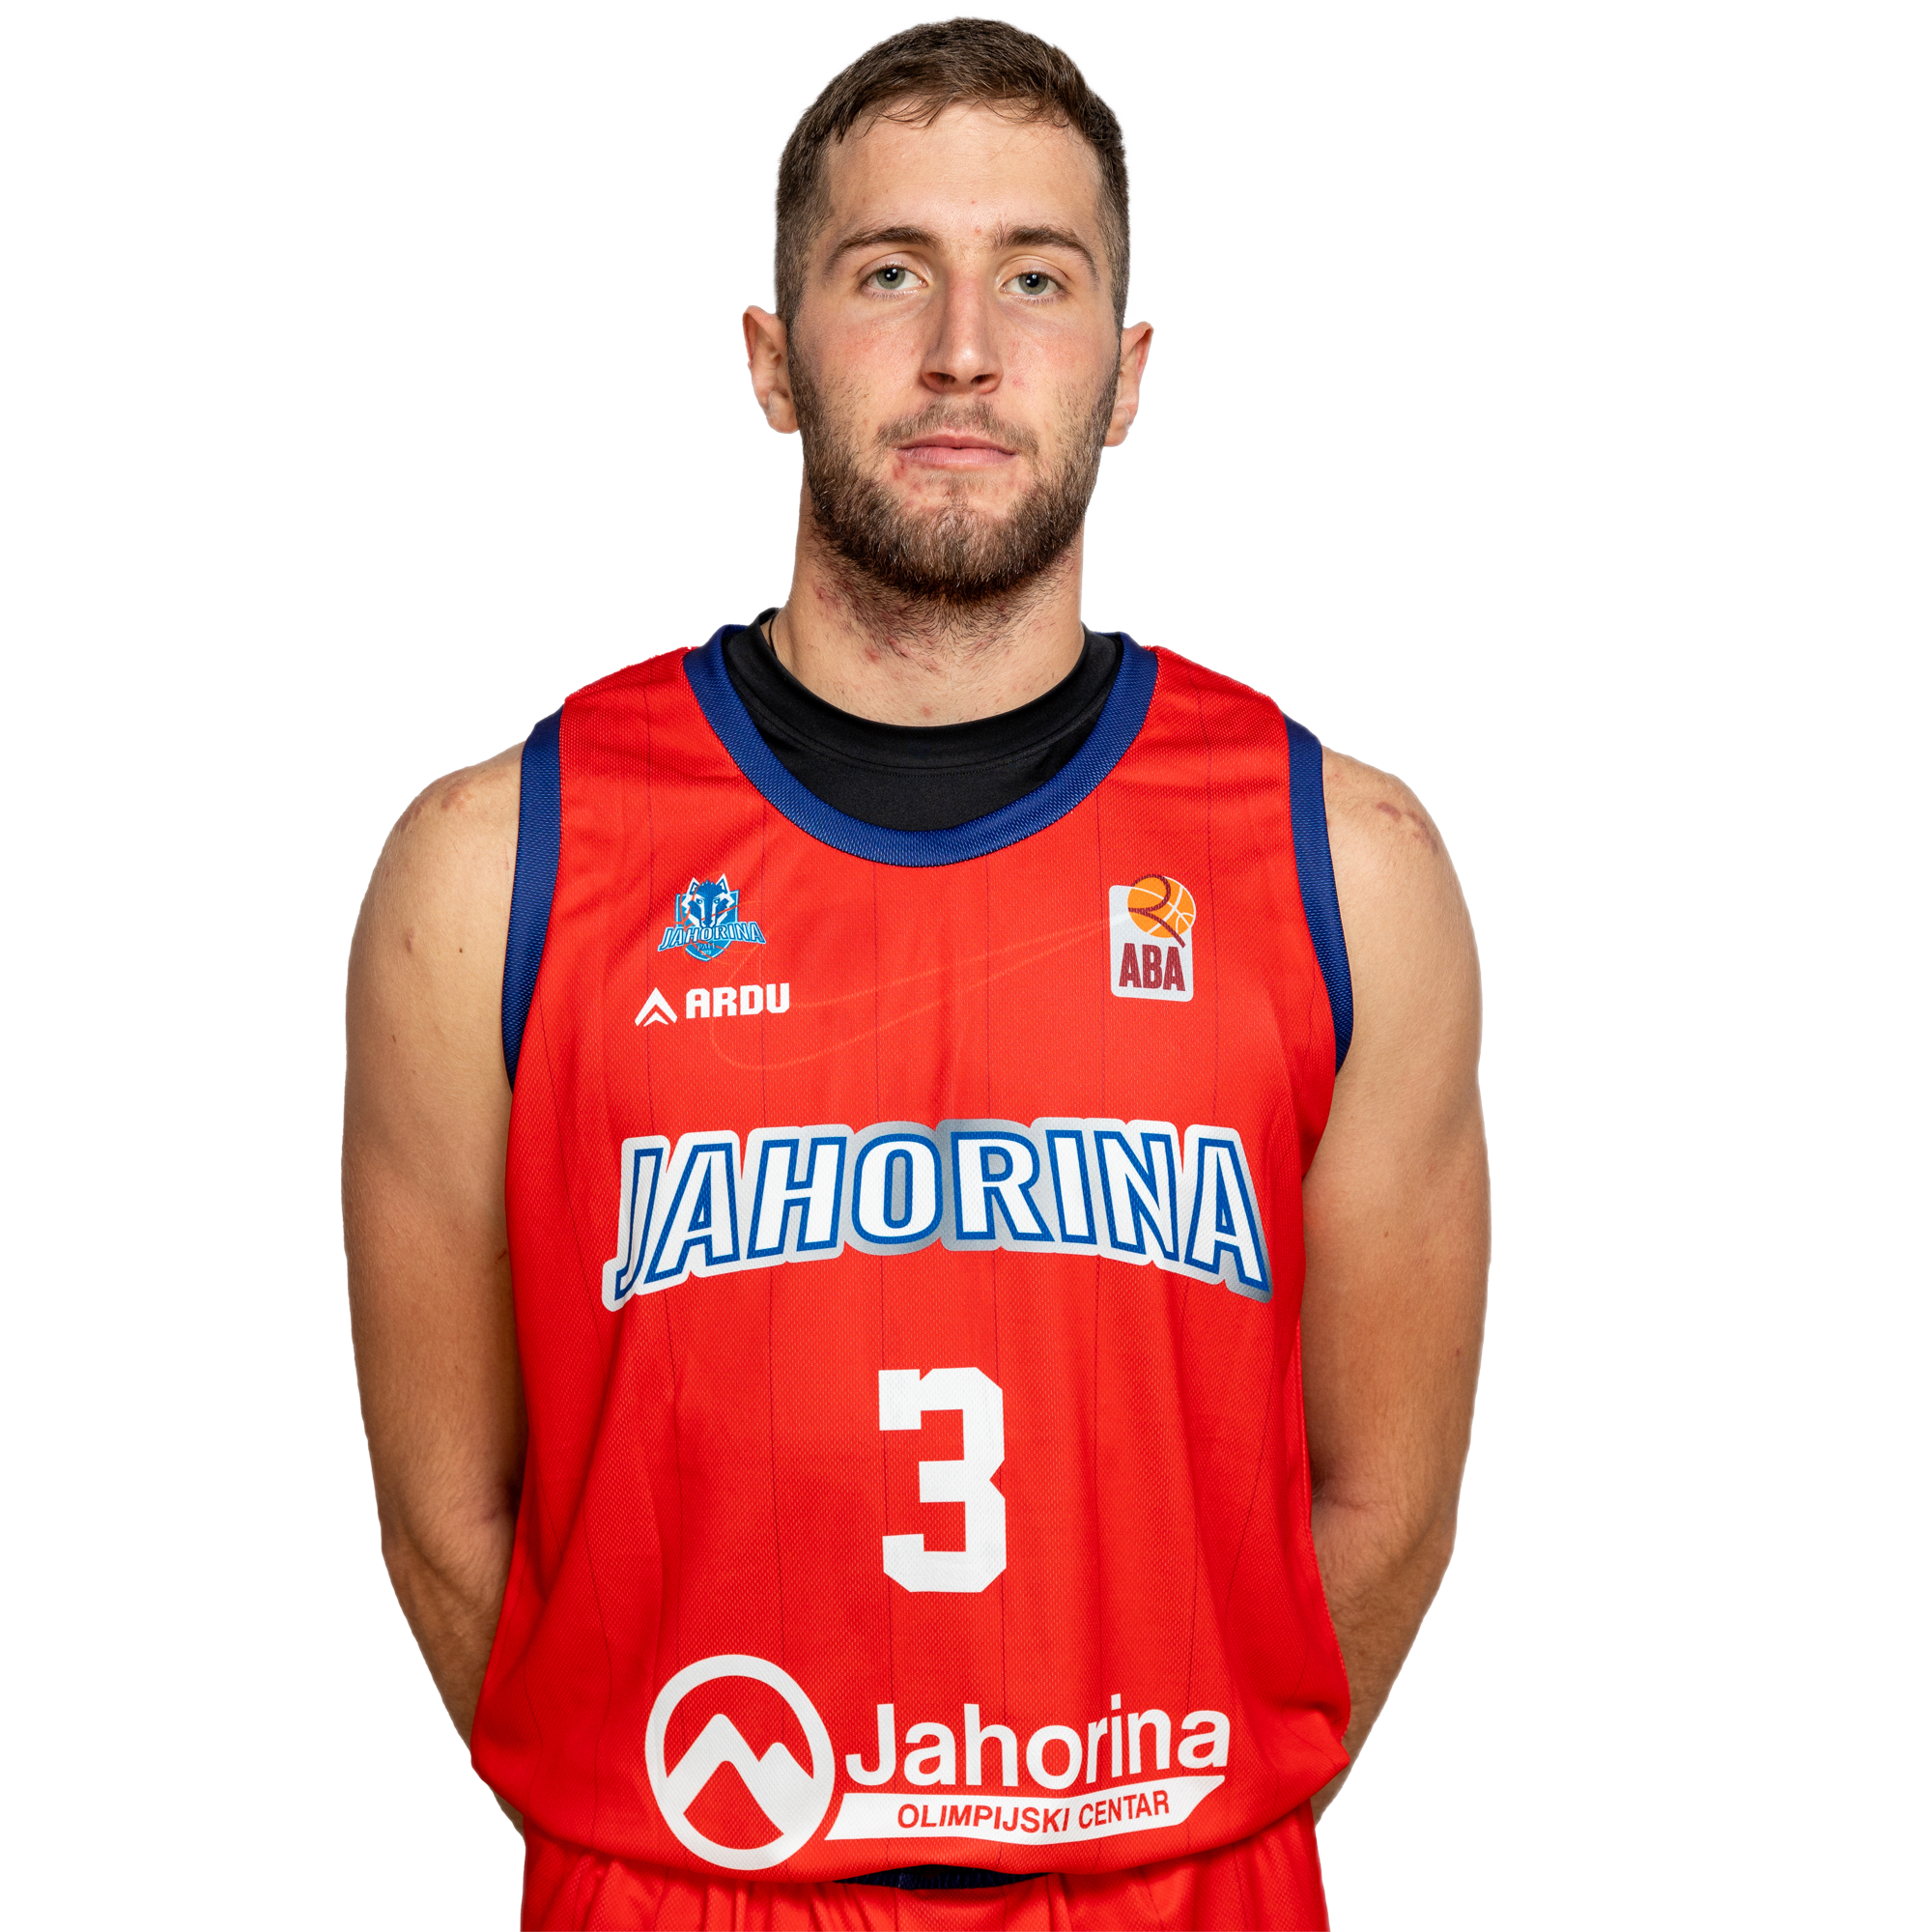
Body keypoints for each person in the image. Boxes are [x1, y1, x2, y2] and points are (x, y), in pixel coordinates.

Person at [344, 16, 1486, 1928]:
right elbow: (448, 1521)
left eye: (1036, 277)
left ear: (1124, 374)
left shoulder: (1341, 862)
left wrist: (1151, 1826)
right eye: (890, 272)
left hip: (1170, 1883)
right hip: (688, 1875)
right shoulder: (494, 863)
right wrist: (690, 1843)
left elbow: (1386, 1508)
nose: (964, 347)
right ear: (770, 357)